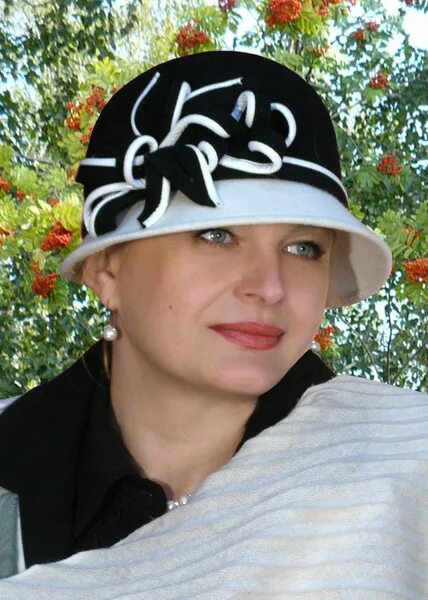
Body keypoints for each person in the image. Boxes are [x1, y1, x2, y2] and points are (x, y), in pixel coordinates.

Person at [0, 51, 426, 598]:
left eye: (303, 247)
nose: (269, 287)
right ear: (107, 271)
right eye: (216, 235)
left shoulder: (408, 465)